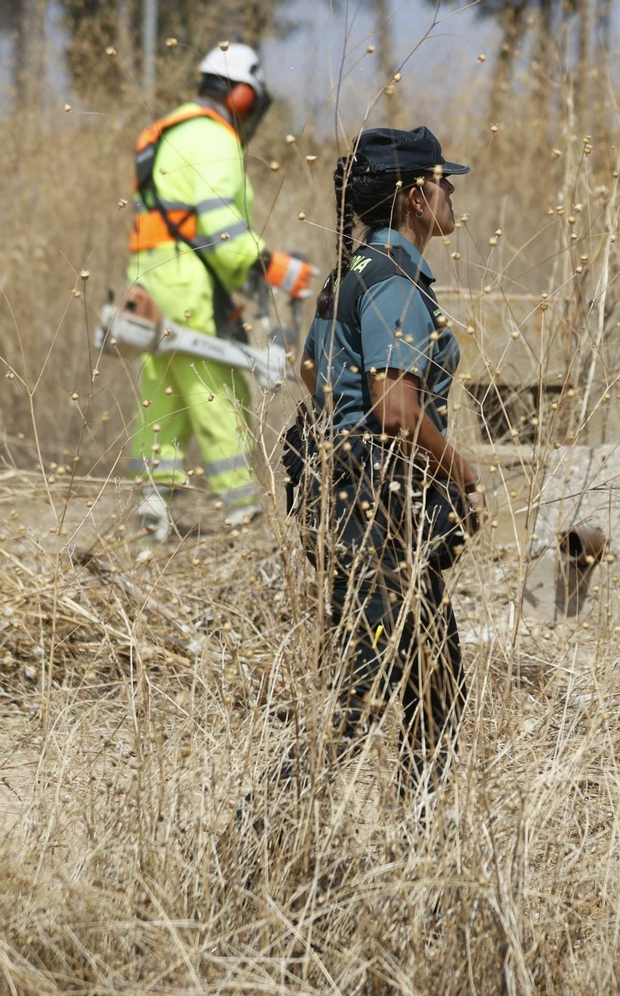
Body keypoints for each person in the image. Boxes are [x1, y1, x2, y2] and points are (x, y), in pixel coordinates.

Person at [288, 127, 480, 800]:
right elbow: (396, 408)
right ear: (411, 198)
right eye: (441, 181)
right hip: (380, 517)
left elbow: (311, 371)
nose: (451, 191)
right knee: (356, 701)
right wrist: (461, 470)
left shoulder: (351, 274)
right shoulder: (396, 281)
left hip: (357, 507)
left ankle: (420, 852)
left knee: (437, 689)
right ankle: (264, 837)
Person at [126, 42, 317, 541]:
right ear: (239, 95)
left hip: (156, 278)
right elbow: (219, 230)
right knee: (218, 392)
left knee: (162, 397)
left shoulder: (171, 131)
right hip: (191, 282)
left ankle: (151, 517)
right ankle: (244, 518)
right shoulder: (212, 139)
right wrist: (271, 266)